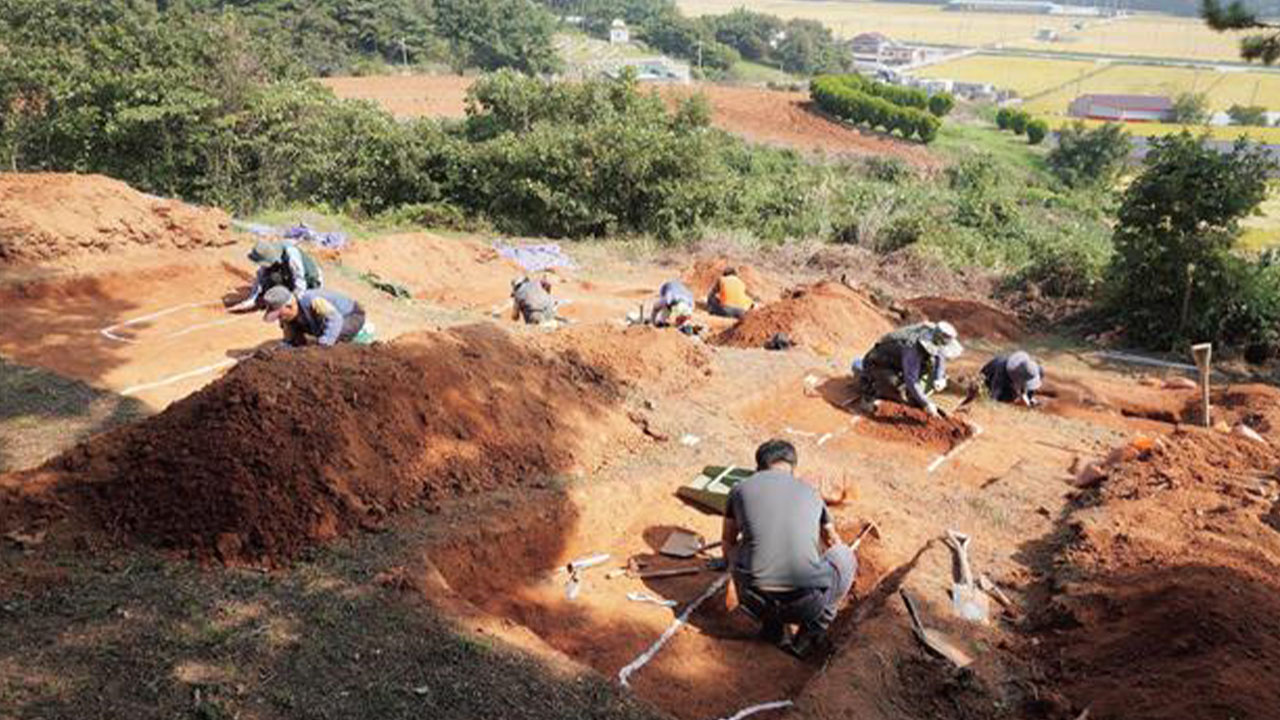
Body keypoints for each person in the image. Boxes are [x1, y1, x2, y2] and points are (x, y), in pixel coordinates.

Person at [722, 439, 856, 658]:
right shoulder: (811, 493)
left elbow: (727, 542)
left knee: (739, 549)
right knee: (844, 556)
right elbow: (833, 541)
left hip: (753, 601)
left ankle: (772, 628)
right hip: (806, 606)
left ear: (758, 467)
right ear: (793, 469)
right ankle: (811, 633)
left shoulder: (739, 489)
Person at [857, 321, 963, 418]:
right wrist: (926, 403)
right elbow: (911, 379)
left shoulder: (936, 337)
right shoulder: (912, 347)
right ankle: (869, 392)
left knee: (929, 365)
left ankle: (914, 393)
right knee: (893, 385)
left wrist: (939, 377)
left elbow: (940, 356)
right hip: (879, 363)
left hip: (899, 362)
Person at [229, 239, 323, 312]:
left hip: (310, 280)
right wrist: (250, 301)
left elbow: (300, 281)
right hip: (289, 277)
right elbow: (259, 280)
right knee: (271, 278)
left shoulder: (291, 254)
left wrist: (292, 301)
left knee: (305, 303)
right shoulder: (268, 256)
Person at [262, 286, 370, 347]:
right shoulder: (290, 312)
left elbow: (335, 319)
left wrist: (324, 344)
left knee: (332, 332)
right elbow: (289, 333)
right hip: (327, 318)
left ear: (289, 306)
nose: (280, 319)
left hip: (351, 315)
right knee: (292, 323)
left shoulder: (312, 300)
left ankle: (362, 332)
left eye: (280, 315)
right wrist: (288, 343)